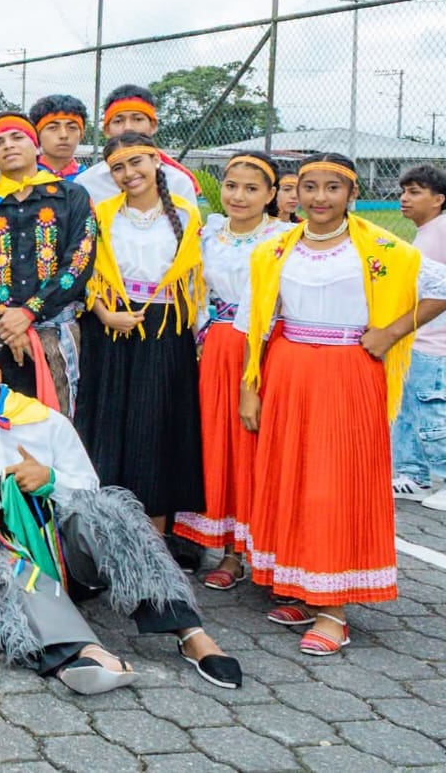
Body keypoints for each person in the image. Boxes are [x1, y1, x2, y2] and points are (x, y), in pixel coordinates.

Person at [0, 338, 242, 692]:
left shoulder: (45, 421)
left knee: (106, 517)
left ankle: (190, 633)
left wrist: (49, 480)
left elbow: (89, 488)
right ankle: (82, 653)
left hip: (68, 555)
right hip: (9, 557)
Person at [240, 153, 446, 655]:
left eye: (333, 188)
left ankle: (333, 610)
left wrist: (390, 333)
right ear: (295, 193)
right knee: (293, 478)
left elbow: (440, 289)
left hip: (348, 372)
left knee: (333, 485)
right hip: (288, 373)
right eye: (309, 186)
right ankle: (301, 588)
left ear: (353, 194)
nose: (319, 198)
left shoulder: (381, 248)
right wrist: (250, 387)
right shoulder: (275, 249)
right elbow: (256, 321)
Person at [76, 133, 206, 526]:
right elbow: (84, 272)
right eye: (118, 167)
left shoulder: (186, 216)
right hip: (111, 329)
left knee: (156, 429)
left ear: (156, 161)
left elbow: (196, 282)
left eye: (136, 162)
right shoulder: (102, 215)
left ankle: (154, 538)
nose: (129, 173)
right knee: (108, 426)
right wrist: (104, 314)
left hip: (166, 331)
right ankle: (107, 531)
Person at [172, 153, 289, 586]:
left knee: (255, 448)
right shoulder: (209, 233)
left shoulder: (283, 238)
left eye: (252, 188)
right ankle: (228, 551)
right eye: (232, 185)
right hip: (214, 347)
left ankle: (265, 551)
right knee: (219, 445)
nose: (239, 196)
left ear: (271, 194)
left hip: (264, 348)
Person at [0, 113, 96, 411]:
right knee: (1, 415)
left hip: (57, 330)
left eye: (17, 137)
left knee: (60, 416)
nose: (8, 145)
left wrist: (28, 313)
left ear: (36, 146)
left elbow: (79, 262)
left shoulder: (72, 196)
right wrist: (7, 323)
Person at [393, 164, 446, 507]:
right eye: (403, 191)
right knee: (409, 411)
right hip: (417, 340)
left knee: (432, 413)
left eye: (414, 192)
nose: (404, 198)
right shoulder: (428, 231)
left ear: (438, 199)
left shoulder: (441, 230)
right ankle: (414, 476)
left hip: (435, 343)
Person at [75, 85, 199, 207]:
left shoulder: (177, 181)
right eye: (118, 121)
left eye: (137, 119)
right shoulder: (86, 183)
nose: (128, 127)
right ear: (106, 130)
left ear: (153, 126)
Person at [29, 95, 88, 181]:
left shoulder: (89, 180)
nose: (64, 135)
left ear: (81, 134)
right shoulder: (24, 177)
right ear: (36, 135)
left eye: (72, 128)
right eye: (53, 128)